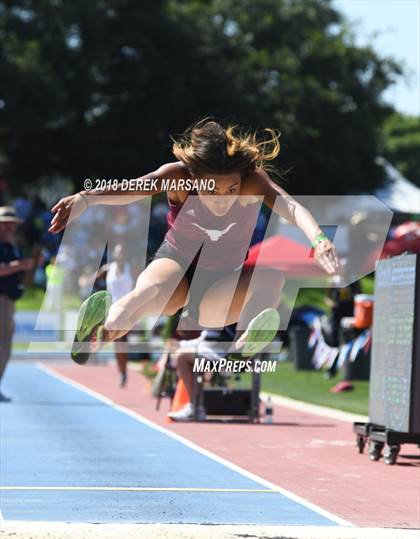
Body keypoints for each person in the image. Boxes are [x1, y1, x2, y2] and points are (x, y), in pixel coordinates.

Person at [49, 120, 339, 364]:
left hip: (220, 283)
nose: (223, 199)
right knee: (147, 293)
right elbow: (133, 188)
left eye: (232, 189)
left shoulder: (253, 182)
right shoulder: (177, 177)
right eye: (212, 190)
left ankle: (245, 343)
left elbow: (291, 207)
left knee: (272, 278)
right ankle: (100, 332)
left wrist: (320, 238)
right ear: (195, 178)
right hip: (175, 262)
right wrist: (85, 198)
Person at [0, 206, 34, 401]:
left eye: (12, 225)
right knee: (3, 346)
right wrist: (21, 265)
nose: (9, 228)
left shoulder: (12, 246)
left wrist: (27, 266)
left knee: (6, 346)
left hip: (8, 301)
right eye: (5, 224)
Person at [95, 243, 136, 387]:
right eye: (118, 252)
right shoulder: (108, 269)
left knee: (122, 343)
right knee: (117, 343)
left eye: (123, 252)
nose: (120, 255)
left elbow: (141, 285)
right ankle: (122, 372)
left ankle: (123, 372)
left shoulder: (131, 269)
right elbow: (92, 280)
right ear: (114, 254)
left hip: (126, 311)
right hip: (111, 310)